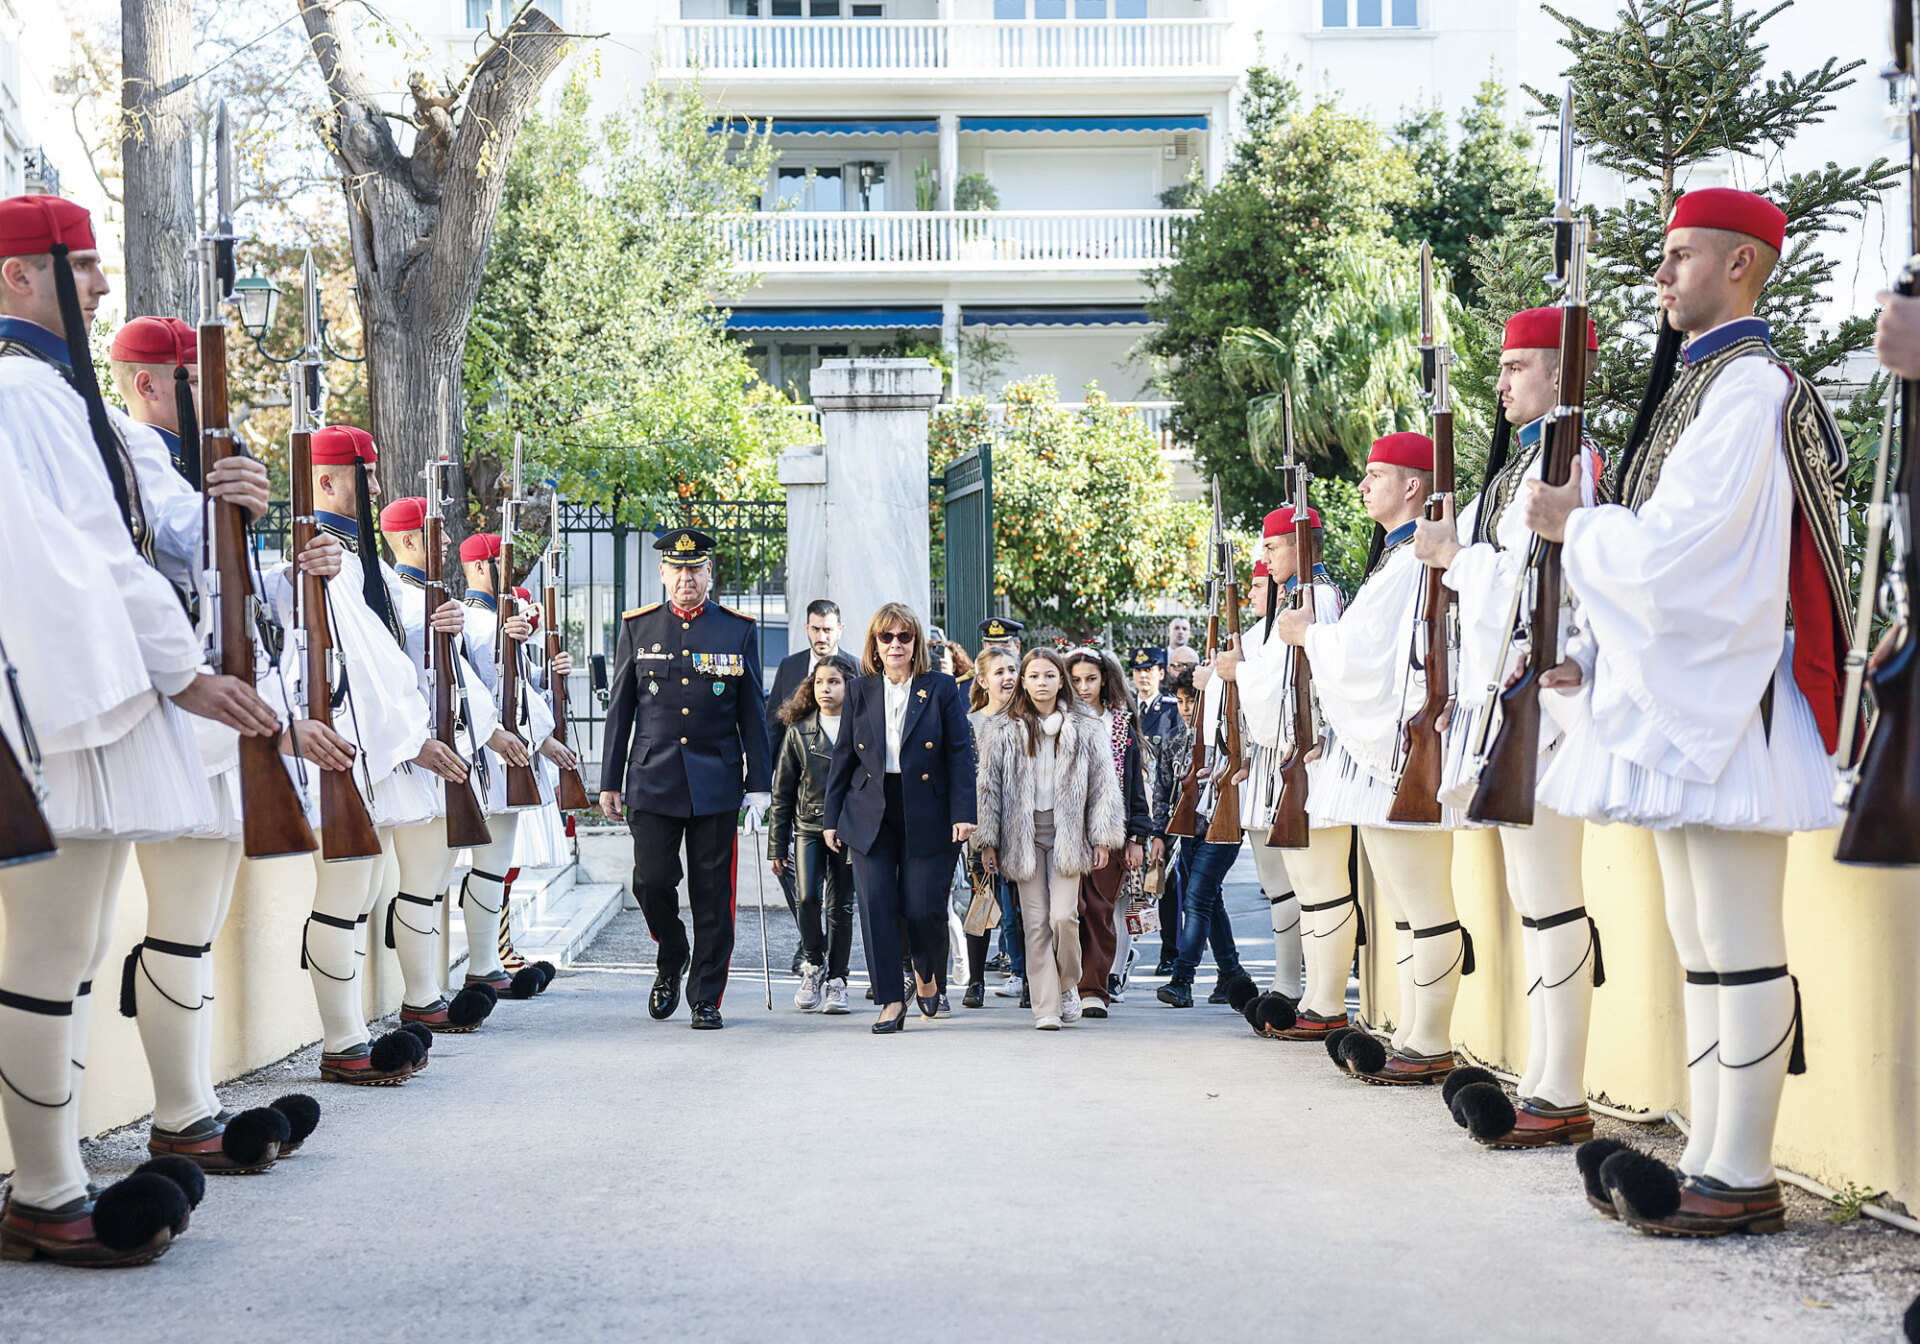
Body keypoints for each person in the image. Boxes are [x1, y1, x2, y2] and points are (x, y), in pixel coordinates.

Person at [1524, 190, 1847, 1236]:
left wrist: (1584, 528)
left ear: (1743, 267)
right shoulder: (1705, 388)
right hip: (1690, 698)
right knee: (1699, 931)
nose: (1660, 276)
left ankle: (1743, 1172)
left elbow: (1685, 558)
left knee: (1739, 933)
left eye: (1681, 257)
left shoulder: (1749, 389)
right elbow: (1662, 549)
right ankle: (1712, 1153)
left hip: (1732, 701)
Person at [0, 195, 293, 1264]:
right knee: (48, 953)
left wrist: (240, 502)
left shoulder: (84, 405)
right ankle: (45, 1193)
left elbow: (167, 527)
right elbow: (84, 556)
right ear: (18, 277)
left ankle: (58, 1176)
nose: (101, 286)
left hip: (100, 708)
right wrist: (184, 672)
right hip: (64, 714)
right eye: (80, 267)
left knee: (71, 951)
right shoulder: (19, 395)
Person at [111, 312, 343, 1168]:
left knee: (192, 925)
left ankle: (190, 1106)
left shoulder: (176, 461)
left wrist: (293, 568)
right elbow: (180, 548)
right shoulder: (134, 450)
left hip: (213, 720)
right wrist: (226, 501)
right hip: (171, 713)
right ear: (147, 384)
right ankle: (182, 1117)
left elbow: (224, 582)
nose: (211, 403)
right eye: (191, 382)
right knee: (176, 927)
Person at [1411, 307, 1606, 1146]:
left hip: (1547, 701)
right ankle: (1544, 1075)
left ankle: (1559, 1087)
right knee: (1534, 900)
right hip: (1508, 696)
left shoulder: (1574, 463)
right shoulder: (1525, 466)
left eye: (1518, 367)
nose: (1502, 385)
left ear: (1561, 375)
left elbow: (1551, 582)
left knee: (1552, 900)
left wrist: (1459, 560)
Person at [1274, 432, 1470, 1084]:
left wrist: (1312, 637)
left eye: (1376, 474)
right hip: (1380, 754)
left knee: (1424, 901)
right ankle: (1416, 1033)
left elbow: (1367, 653)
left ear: (1412, 485)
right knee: (1407, 905)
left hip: (1402, 751)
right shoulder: (1396, 557)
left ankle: (1431, 1038)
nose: (1363, 485)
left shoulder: (1415, 556)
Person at [271, 426, 464, 1084]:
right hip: (346, 750)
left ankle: (351, 1035)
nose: (378, 488)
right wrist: (415, 741)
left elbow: (389, 655)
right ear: (326, 482)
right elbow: (330, 664)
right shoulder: (320, 557)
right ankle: (344, 1042)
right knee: (343, 896)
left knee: (361, 890)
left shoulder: (356, 562)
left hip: (373, 754)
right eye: (366, 475)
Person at [600, 529, 770, 1030]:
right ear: (663, 574)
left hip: (716, 780)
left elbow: (752, 711)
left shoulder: (736, 630)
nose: (686, 578)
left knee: (713, 894)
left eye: (695, 569)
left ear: (709, 573)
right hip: (652, 778)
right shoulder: (639, 627)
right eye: (677, 569)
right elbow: (620, 711)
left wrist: (758, 782)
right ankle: (672, 954)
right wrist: (610, 780)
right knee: (651, 881)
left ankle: (706, 995)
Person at [1218, 509, 1356, 1031]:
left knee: (1322, 889)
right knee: (1306, 886)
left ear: (1298, 545)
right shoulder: (1301, 599)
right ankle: (1313, 999)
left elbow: (1301, 678)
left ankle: (1325, 1003)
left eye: (1273, 548)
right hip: (1289, 758)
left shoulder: (1316, 598)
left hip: (1310, 758)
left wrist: (1240, 672)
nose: (1268, 558)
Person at [374, 498, 508, 1029]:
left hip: (447, 752)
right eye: (437, 535)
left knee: (435, 879)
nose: (449, 544)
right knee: (421, 881)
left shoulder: (429, 598)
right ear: (408, 540)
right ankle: (421, 996)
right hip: (415, 755)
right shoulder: (397, 596)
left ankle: (430, 990)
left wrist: (486, 732)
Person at [821, 603, 976, 1033]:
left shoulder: (941, 688)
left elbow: (960, 753)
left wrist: (964, 812)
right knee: (875, 906)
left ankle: (926, 975)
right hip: (870, 809)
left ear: (915, 643)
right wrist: (831, 818)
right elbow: (844, 758)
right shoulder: (859, 690)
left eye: (903, 637)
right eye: (885, 637)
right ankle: (890, 998)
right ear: (874, 642)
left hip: (928, 808)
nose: (894, 645)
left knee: (923, 907)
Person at [976, 650, 1125, 1030]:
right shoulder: (1003, 729)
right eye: (1033, 676)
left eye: (1049, 676)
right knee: (1036, 921)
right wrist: (988, 840)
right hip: (1022, 836)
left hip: (1069, 835)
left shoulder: (1086, 727)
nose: (1041, 683)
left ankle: (1069, 983)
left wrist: (1102, 837)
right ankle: (1046, 1007)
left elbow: (1104, 787)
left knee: (1064, 916)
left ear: (1062, 680)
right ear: (1023, 682)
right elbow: (988, 789)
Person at [453, 533, 574, 1002]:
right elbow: (483, 690)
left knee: (497, 865)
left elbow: (519, 685)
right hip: (489, 755)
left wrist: (549, 673)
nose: (515, 576)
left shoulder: (493, 621)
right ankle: (485, 960)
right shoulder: (476, 621)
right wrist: (540, 739)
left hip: (504, 754)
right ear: (483, 568)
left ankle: (492, 956)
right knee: (487, 867)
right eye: (504, 565)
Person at [1155, 620, 1257, 1011]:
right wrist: (1161, 837)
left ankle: (1183, 978)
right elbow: (1165, 791)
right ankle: (1232, 975)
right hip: (1191, 832)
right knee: (1210, 902)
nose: (1185, 709)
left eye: (1192, 701)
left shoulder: (1228, 730)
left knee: (1196, 900)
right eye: (1179, 702)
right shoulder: (1177, 737)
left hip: (1223, 826)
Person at [1063, 649, 1150, 1016]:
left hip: (1109, 831)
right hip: (1064, 829)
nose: (1083, 687)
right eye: (1076, 680)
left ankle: (1094, 988)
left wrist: (1137, 837)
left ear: (1105, 680)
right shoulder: (1057, 720)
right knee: (1068, 910)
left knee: (1099, 910)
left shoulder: (1119, 725)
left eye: (1091, 679)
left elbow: (1134, 786)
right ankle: (1063, 984)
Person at [768, 659, 856, 1015]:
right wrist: (777, 844)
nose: (826, 689)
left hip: (850, 829)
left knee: (841, 908)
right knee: (806, 898)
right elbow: (783, 791)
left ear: (849, 686)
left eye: (834, 681)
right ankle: (814, 963)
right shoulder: (799, 730)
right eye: (820, 682)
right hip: (808, 828)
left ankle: (837, 981)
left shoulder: (861, 727)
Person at [966, 647, 1024, 1007]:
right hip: (979, 829)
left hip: (1022, 828)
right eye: (999, 671)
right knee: (983, 901)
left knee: (1021, 907)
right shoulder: (969, 723)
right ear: (983, 681)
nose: (1008, 677)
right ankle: (975, 981)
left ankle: (1027, 976)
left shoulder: (1027, 721)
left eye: (1012, 669)